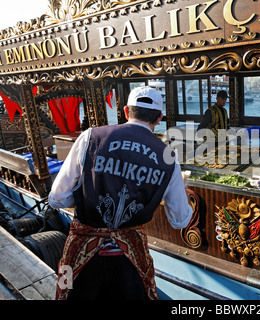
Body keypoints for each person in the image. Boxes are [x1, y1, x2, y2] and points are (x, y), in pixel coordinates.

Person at [48, 86, 193, 300]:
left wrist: (86, 198)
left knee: (68, 291)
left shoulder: (91, 137)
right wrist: (186, 200)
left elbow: (57, 198)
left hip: (81, 253)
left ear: (126, 111)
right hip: (132, 258)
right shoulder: (168, 156)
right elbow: (180, 220)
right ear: (159, 118)